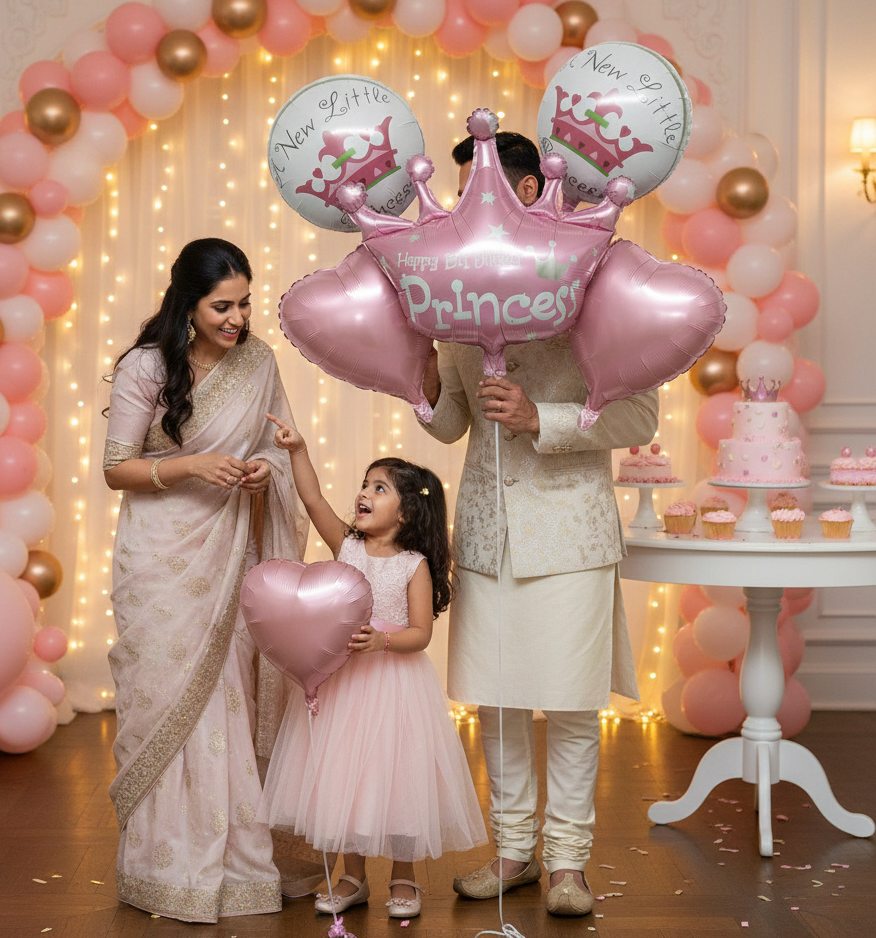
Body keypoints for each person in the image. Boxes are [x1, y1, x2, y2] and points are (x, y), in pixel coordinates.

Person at [415, 133, 659, 917]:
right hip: (488, 529)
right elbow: (451, 424)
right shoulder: (453, 300)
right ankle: (513, 851)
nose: (460, 208)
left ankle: (568, 865)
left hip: (572, 529)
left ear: (524, 192)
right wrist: (418, 380)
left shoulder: (592, 285)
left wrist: (539, 417)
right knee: (497, 699)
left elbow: (638, 412)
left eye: (475, 189)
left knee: (573, 702)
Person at [102, 238, 307, 923]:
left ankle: (238, 865)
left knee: (230, 700)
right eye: (223, 305)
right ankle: (164, 867)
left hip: (230, 553)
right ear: (187, 304)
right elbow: (116, 468)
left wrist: (259, 472)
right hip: (162, 558)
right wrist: (192, 466)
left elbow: (275, 453)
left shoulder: (259, 362)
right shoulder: (146, 366)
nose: (238, 318)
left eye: (245, 303)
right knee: (165, 699)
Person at [258, 420, 487, 921]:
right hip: (344, 685)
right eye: (365, 484)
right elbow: (313, 497)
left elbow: (421, 633)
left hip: (394, 684)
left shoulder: (413, 565)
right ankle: (352, 875)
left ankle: (403, 876)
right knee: (347, 779)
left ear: (408, 512)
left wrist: (383, 640)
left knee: (397, 778)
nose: (363, 493)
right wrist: (298, 449)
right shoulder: (347, 546)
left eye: (378, 488)